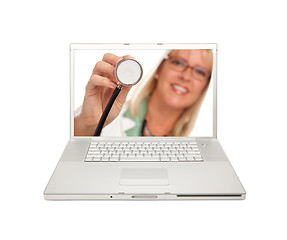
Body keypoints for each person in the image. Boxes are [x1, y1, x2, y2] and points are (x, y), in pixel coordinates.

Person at [74, 49, 213, 136]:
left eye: (200, 72)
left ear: (205, 86)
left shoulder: (193, 148)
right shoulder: (105, 111)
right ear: (159, 69)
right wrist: (88, 125)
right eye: (178, 63)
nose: (186, 76)